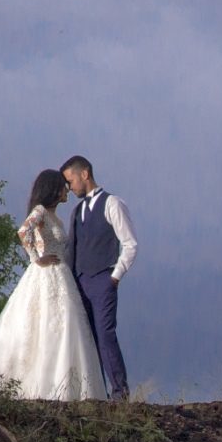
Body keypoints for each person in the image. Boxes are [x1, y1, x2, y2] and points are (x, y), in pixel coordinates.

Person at [0, 169, 106, 401]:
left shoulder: (55, 216)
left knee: (63, 327)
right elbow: (24, 231)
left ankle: (65, 387)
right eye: (63, 186)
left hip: (61, 275)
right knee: (41, 325)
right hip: (46, 273)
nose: (67, 191)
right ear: (53, 188)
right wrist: (35, 257)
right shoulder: (41, 211)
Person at [58, 156, 137, 399]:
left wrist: (115, 276)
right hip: (80, 282)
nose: (70, 189)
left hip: (103, 279)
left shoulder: (112, 203)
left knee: (105, 335)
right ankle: (96, 393)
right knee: (86, 341)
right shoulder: (76, 211)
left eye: (71, 181)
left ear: (85, 174)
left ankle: (119, 393)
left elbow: (130, 244)